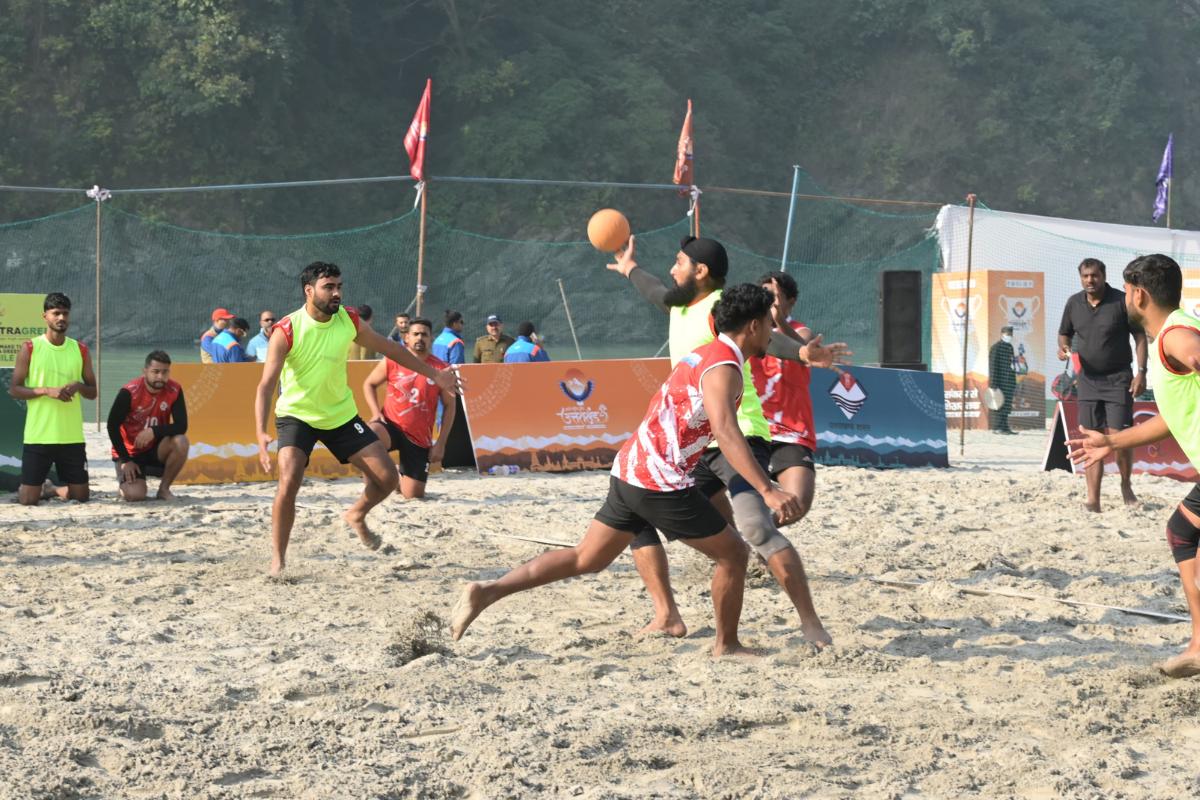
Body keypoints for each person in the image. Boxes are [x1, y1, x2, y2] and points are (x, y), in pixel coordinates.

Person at [452, 284, 802, 656]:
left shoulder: (703, 354)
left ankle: (487, 591)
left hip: (631, 467)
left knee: (587, 558)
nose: (771, 331)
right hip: (657, 479)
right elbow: (727, 431)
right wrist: (767, 489)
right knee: (733, 554)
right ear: (751, 326)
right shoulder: (724, 368)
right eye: (768, 323)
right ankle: (726, 645)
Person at [608, 236, 848, 648]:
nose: (672, 269)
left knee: (757, 529)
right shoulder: (679, 303)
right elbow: (653, 290)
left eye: (678, 262)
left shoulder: (721, 306)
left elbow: (766, 338)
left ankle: (810, 623)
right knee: (636, 517)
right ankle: (667, 615)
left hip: (738, 429)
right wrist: (630, 267)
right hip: (695, 439)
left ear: (700, 271)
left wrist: (803, 355)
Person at [254, 262, 461, 577]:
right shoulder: (286, 331)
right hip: (297, 415)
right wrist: (259, 432)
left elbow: (391, 348)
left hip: (339, 414)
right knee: (289, 479)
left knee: (389, 479)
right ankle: (278, 561)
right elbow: (266, 386)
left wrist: (434, 374)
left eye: (339, 286)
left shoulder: (348, 320)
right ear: (309, 291)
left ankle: (356, 514)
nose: (336, 292)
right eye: (329, 287)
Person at [1068, 254, 1200, 677]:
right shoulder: (1173, 332)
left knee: (1183, 533)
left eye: (1126, 290)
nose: (1123, 297)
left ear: (1138, 294)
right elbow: (1171, 417)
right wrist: (1112, 441)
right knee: (1181, 531)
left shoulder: (1176, 337)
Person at [1058, 257, 1148, 511]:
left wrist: (1141, 372)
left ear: (1104, 275)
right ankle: (1093, 499)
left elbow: (1140, 336)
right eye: (1085, 276)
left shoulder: (1122, 301)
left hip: (1119, 378)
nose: (1090, 280)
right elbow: (1064, 332)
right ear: (1080, 278)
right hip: (1086, 379)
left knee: (1120, 437)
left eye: (1094, 276)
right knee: (1090, 439)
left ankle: (1126, 484)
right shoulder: (1073, 303)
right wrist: (1063, 347)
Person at [749, 272, 830, 538]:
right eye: (763, 294)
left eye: (774, 296)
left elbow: (803, 348)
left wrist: (780, 320)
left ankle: (761, 538)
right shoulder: (749, 330)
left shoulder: (800, 330)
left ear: (790, 302)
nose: (768, 301)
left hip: (791, 431)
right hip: (753, 428)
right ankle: (736, 546)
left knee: (799, 503)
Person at [8, 292, 97, 505]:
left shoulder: (81, 349)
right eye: (56, 313)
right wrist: (47, 391)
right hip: (39, 435)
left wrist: (78, 386)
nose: (61, 318)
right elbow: (14, 389)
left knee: (82, 497)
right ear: (45, 316)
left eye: (65, 313)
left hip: (71, 436)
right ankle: (41, 488)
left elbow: (92, 392)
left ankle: (52, 489)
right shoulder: (30, 347)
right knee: (28, 500)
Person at [362, 317, 455, 499]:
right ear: (406, 338)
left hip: (419, 439)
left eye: (424, 334)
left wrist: (441, 444)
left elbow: (450, 406)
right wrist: (375, 413)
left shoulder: (441, 370)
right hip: (391, 426)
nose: (420, 338)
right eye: (415, 334)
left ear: (431, 339)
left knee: (413, 495)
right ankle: (373, 485)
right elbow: (369, 384)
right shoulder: (392, 360)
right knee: (370, 435)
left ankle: (398, 478)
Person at [107, 350, 190, 501]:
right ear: (145, 371)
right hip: (130, 453)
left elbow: (181, 426)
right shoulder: (129, 392)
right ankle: (124, 480)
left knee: (181, 441)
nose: (160, 376)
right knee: (134, 495)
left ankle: (163, 490)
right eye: (155, 371)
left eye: (165, 372)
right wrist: (125, 460)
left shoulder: (174, 389)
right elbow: (112, 426)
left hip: (155, 449)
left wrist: (153, 431)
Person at [988, 325, 1017, 435]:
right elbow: (993, 366)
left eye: (1010, 334)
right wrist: (993, 384)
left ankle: (1005, 427)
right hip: (999, 381)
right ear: (1002, 334)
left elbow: (1012, 364)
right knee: (999, 404)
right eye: (1007, 334)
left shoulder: (1010, 347)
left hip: (1009, 381)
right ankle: (997, 427)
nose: (1009, 336)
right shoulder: (996, 348)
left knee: (1007, 405)